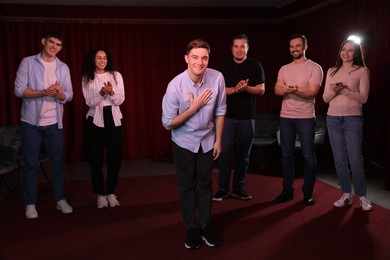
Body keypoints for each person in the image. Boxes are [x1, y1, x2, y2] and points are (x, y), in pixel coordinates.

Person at [161, 39, 226, 249]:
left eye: (204, 57)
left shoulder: (217, 78)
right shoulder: (175, 86)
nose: (200, 62)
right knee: (187, 186)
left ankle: (206, 225)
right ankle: (191, 228)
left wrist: (218, 140)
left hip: (207, 140)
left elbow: (220, 111)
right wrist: (193, 108)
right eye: (195, 57)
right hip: (184, 142)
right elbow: (168, 124)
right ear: (187, 59)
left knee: (206, 185)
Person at [14, 29, 74, 219]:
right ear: (43, 41)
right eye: (52, 43)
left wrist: (58, 94)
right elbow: (19, 90)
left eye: (58, 45)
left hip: (54, 123)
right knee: (30, 164)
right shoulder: (28, 62)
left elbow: (69, 94)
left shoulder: (63, 67)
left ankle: (60, 199)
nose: (55, 47)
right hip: (30, 122)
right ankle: (30, 203)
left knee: (57, 164)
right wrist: (44, 92)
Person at [213, 34, 265, 202]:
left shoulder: (255, 66)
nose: (239, 50)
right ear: (232, 48)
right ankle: (222, 189)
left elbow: (261, 90)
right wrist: (235, 89)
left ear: (247, 48)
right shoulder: (223, 67)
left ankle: (238, 189)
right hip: (226, 118)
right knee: (225, 155)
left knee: (243, 156)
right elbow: (218, 92)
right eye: (236, 46)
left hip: (247, 119)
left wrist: (247, 88)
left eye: (242, 46)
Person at [274, 34, 323, 206]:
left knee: (309, 156)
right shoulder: (284, 69)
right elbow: (277, 90)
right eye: (291, 46)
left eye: (298, 46)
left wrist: (293, 91)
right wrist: (286, 89)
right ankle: (287, 190)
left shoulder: (315, 68)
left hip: (305, 118)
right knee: (286, 155)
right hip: (286, 117)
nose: (294, 49)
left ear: (305, 47)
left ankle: (307, 193)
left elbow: (312, 92)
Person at [323, 39, 372, 211]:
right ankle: (346, 194)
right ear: (340, 51)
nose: (346, 53)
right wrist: (334, 90)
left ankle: (363, 196)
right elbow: (325, 98)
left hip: (353, 119)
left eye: (350, 50)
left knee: (355, 159)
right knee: (340, 160)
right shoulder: (331, 71)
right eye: (343, 49)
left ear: (356, 53)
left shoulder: (363, 71)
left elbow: (363, 98)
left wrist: (342, 90)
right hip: (333, 118)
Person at [81, 46, 125, 209]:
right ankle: (100, 194)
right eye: (98, 57)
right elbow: (89, 102)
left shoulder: (116, 75)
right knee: (96, 159)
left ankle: (111, 193)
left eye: (104, 58)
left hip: (114, 119)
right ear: (93, 59)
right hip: (95, 121)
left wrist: (111, 92)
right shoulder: (87, 77)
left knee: (115, 159)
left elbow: (120, 100)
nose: (102, 61)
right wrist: (101, 92)